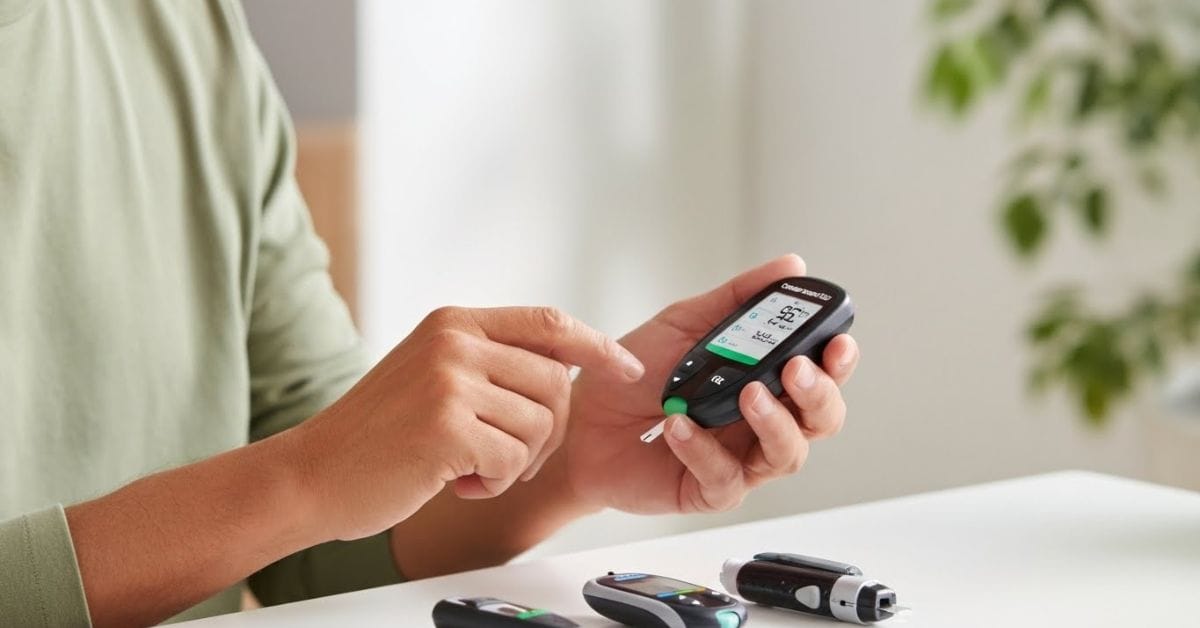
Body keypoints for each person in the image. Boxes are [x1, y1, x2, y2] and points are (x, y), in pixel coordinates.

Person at [0, 1, 860, 626]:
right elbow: (302, 489)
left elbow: (315, 542)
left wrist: (569, 454)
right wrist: (303, 476)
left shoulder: (185, 29)